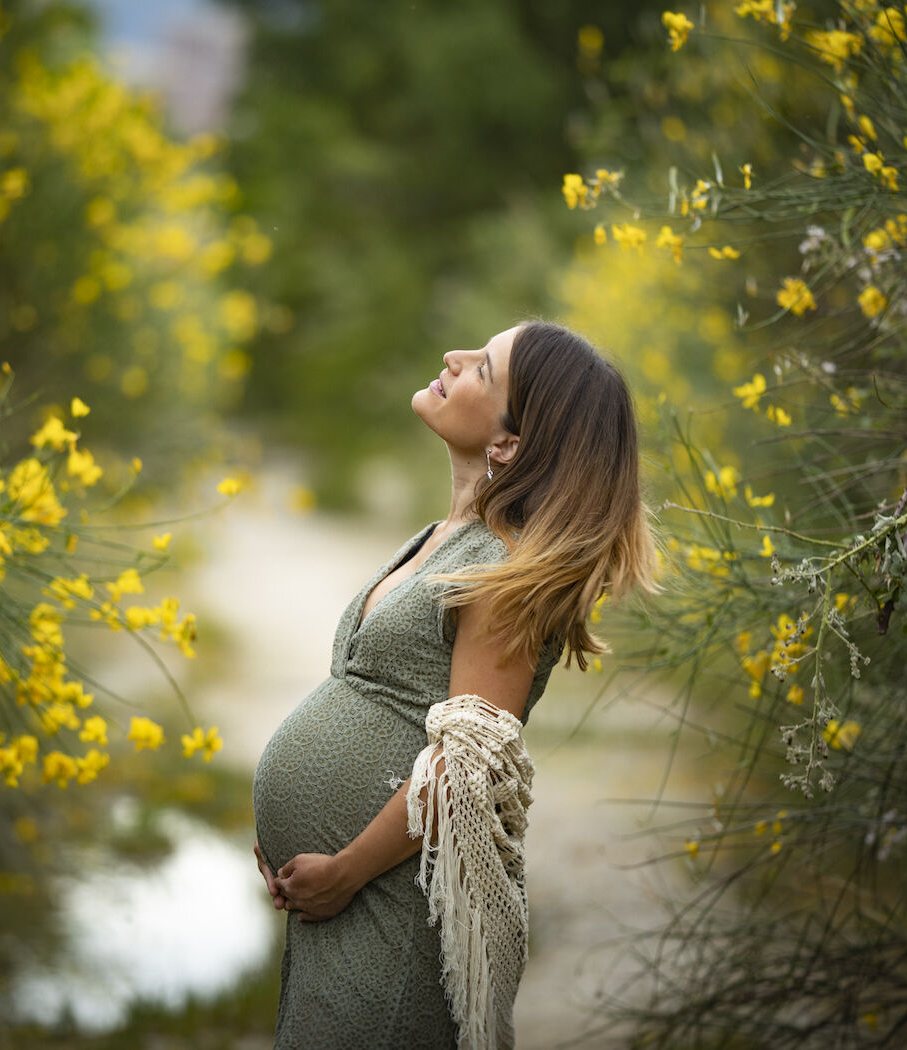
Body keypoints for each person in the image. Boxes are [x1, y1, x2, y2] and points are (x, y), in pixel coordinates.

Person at [251, 320, 655, 1050]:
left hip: (392, 911)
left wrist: (343, 869)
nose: (453, 357)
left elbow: (466, 768)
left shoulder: (505, 573)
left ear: (510, 443)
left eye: (483, 369)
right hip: (347, 907)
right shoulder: (443, 538)